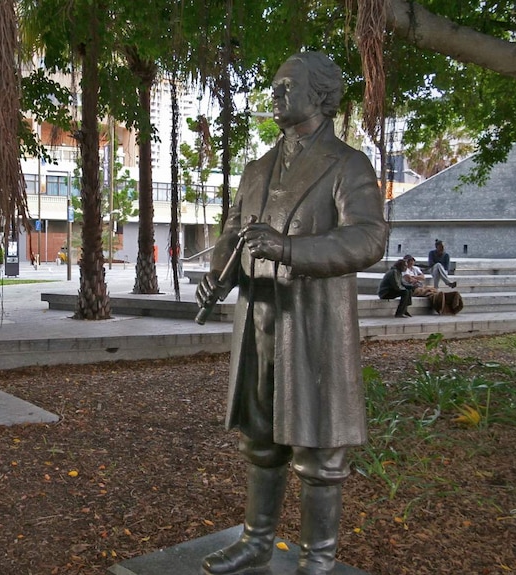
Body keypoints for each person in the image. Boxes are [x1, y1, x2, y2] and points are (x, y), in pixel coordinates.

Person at [195, 51, 387, 575]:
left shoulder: (348, 164)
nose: (274, 94)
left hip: (313, 323)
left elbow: (369, 238)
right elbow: (233, 233)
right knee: (261, 440)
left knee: (320, 452)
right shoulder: (257, 168)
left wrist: (290, 251)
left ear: (320, 95)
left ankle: (318, 559)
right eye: (273, 86)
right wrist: (220, 273)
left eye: (285, 86)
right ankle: (257, 540)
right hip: (259, 321)